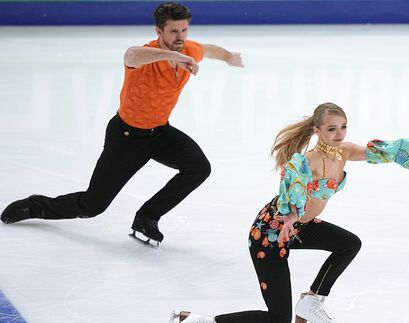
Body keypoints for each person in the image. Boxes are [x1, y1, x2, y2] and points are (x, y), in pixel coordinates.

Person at [167, 102, 409, 323]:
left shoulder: (345, 153)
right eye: (332, 129)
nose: (339, 134)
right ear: (317, 131)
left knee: (348, 244)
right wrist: (292, 215)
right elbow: (291, 189)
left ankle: (312, 301)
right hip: (271, 234)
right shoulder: (306, 161)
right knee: (278, 321)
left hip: (299, 229)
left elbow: (390, 150)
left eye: (343, 127)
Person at [0, 2, 244, 247]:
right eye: (173, 31)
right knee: (91, 206)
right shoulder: (144, 56)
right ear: (159, 32)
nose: (180, 37)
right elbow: (131, 54)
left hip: (159, 133)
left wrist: (229, 57)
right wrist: (172, 55)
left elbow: (209, 50)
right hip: (126, 137)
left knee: (199, 168)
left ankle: (147, 217)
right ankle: (35, 206)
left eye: (184, 30)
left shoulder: (190, 49)